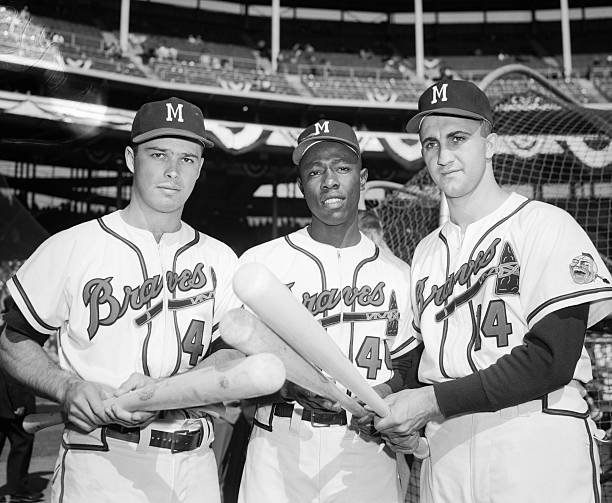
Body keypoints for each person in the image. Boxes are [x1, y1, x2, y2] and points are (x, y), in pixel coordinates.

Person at [374, 79, 612, 503]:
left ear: (490, 144)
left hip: (533, 435)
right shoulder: (426, 252)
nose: (443, 156)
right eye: (430, 144)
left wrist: (430, 400)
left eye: (458, 138)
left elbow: (552, 358)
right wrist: (385, 399)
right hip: (446, 448)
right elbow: (414, 361)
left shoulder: (545, 225)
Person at [0, 97, 241, 503]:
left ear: (200, 168)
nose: (172, 171)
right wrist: (67, 387)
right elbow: (12, 340)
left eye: (186, 159)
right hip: (102, 459)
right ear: (131, 159)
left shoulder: (221, 257)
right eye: (158, 154)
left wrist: (169, 389)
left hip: (195, 462)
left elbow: (230, 354)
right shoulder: (73, 245)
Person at [236, 119, 421, 503]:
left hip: (366, 450)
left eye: (342, 167)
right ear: (301, 185)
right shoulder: (261, 263)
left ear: (363, 176)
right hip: (280, 443)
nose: (330, 181)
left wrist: (381, 397)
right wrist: (287, 384)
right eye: (315, 171)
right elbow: (234, 359)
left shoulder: (399, 276)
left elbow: (409, 367)